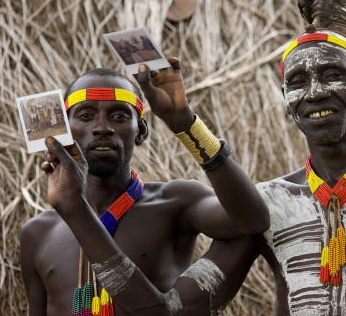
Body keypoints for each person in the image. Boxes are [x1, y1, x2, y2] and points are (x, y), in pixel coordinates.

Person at [32, 0, 346, 316]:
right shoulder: (271, 204)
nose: (315, 91)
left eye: (334, 74)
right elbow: (168, 312)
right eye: (298, 81)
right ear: (286, 101)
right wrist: (184, 124)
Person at [19, 58, 270, 316]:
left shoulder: (176, 202)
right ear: (66, 132)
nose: (102, 128)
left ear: (140, 131)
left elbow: (255, 221)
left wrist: (185, 124)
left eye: (119, 116)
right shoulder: (37, 233)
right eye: (85, 116)